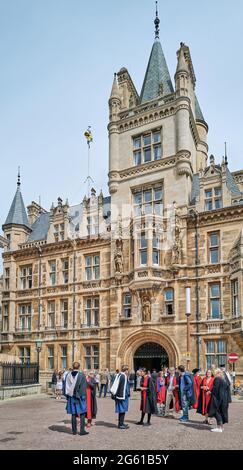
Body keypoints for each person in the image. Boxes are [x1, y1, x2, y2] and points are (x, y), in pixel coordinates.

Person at [65, 362, 88, 436]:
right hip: (80, 397)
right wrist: (83, 397)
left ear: (73, 367)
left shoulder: (68, 375)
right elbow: (83, 387)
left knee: (73, 413)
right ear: (79, 367)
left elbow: (66, 387)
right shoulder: (81, 375)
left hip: (71, 396)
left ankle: (74, 431)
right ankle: (82, 430)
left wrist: (67, 396)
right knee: (82, 413)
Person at [208, 368, 230, 432]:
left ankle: (219, 428)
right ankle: (221, 427)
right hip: (224, 398)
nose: (213, 374)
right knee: (221, 412)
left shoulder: (217, 379)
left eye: (214, 372)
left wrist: (210, 392)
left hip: (218, 398)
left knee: (216, 412)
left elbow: (215, 390)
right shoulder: (223, 379)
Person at [111, 365, 130, 429]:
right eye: (128, 370)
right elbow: (124, 387)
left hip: (119, 395)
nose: (128, 371)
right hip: (122, 396)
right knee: (122, 410)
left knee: (121, 410)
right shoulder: (123, 376)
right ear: (126, 370)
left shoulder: (119, 375)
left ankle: (121, 423)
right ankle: (120, 424)